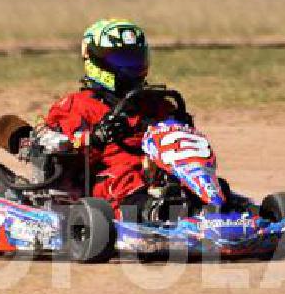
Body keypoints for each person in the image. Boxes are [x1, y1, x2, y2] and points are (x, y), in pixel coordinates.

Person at [44, 18, 192, 218]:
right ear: (95, 61)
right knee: (124, 180)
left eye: (136, 59)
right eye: (124, 60)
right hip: (104, 178)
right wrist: (96, 137)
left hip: (155, 170)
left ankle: (217, 207)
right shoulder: (76, 105)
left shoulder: (154, 103)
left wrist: (183, 126)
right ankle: (149, 211)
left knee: (195, 180)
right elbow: (63, 152)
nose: (132, 67)